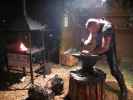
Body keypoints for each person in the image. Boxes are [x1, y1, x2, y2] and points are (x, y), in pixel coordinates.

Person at [82, 18, 127, 100]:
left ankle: (124, 90)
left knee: (114, 71)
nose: (92, 33)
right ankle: (88, 82)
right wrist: (86, 42)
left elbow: (105, 48)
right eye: (91, 31)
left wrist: (91, 52)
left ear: (96, 26)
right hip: (100, 46)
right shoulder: (95, 24)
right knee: (88, 61)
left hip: (109, 48)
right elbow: (91, 35)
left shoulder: (107, 28)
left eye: (93, 31)